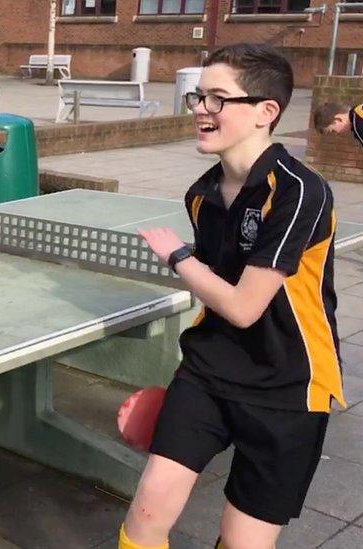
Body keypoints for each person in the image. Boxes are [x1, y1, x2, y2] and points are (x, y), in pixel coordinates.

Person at [122, 43, 344, 549]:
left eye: (217, 98)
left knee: (245, 542)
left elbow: (244, 307)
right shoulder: (201, 194)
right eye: (199, 97)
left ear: (266, 112)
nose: (201, 108)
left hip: (289, 385)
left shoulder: (299, 191)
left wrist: (178, 258)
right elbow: (218, 294)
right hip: (208, 372)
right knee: (146, 513)